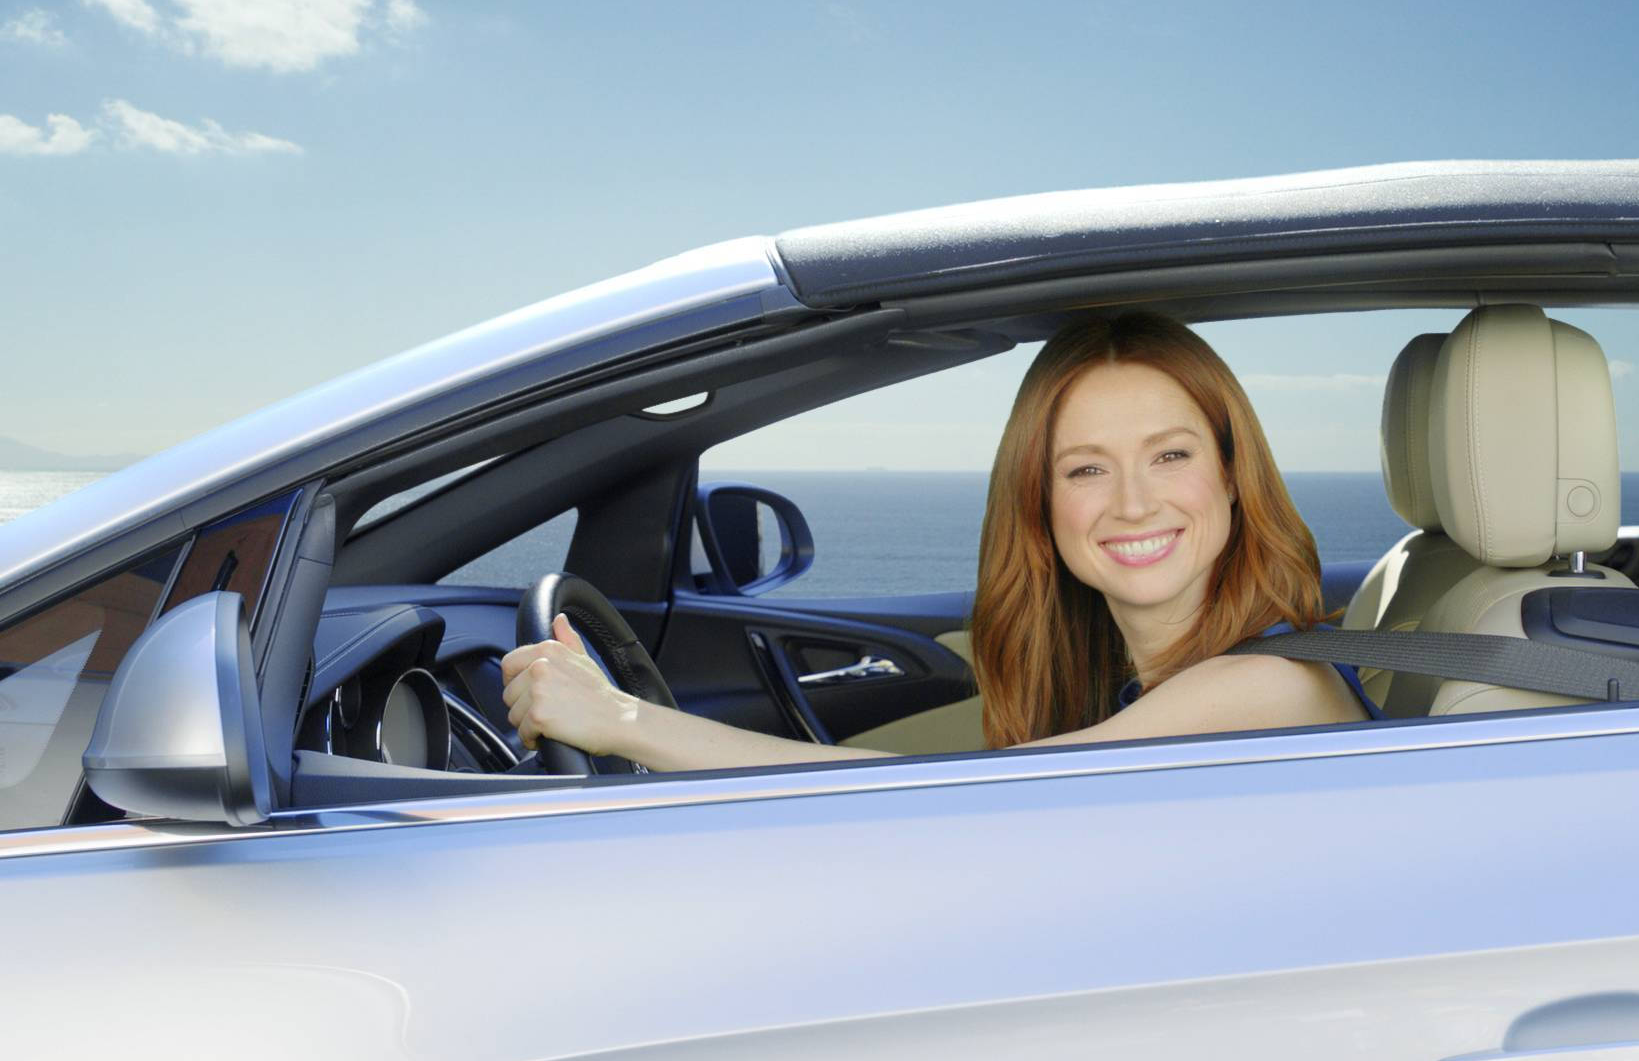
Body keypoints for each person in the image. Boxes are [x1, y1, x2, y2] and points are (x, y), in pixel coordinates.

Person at [501, 312, 1375, 770]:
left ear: (1231, 473)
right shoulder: (1143, 688)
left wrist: (619, 720)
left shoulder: (1263, 687)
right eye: (1085, 470)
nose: (1134, 504)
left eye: (1171, 456)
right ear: (1039, 502)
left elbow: (943, 804)